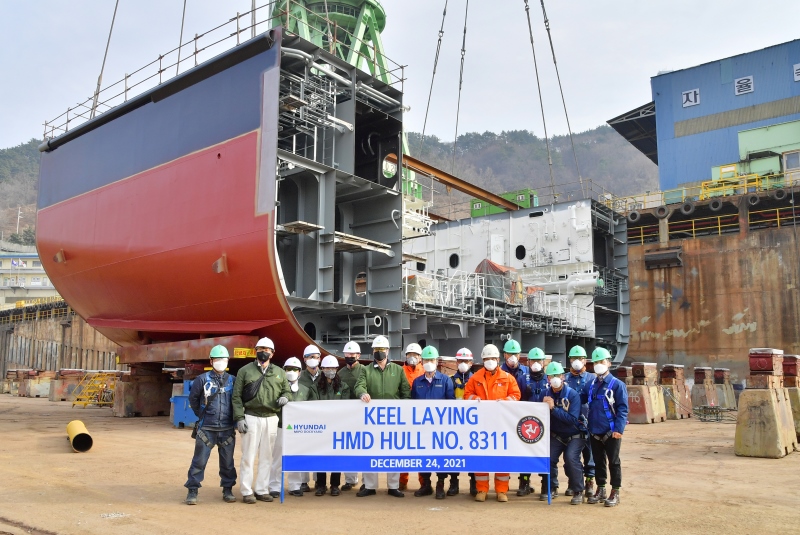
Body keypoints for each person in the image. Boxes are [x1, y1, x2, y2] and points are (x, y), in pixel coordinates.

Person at [232, 337, 291, 504]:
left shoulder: (279, 372)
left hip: (271, 418)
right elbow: (236, 396)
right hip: (251, 416)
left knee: (267, 457)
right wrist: (239, 418)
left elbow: (287, 391)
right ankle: (246, 491)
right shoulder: (245, 371)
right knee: (248, 456)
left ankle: (262, 489)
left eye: (267, 349)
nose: (263, 352)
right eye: (260, 348)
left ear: (272, 353)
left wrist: (285, 397)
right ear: (255, 351)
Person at [354, 335, 412, 497]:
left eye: (382, 350)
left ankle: (393, 486)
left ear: (388, 351)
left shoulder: (398, 370)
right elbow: (359, 386)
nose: (379, 352)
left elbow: (405, 391)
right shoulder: (366, 370)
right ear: (373, 351)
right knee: (370, 451)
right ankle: (370, 486)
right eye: (376, 350)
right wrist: (362, 393)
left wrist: (404, 410)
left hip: (394, 419)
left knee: (393, 452)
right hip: (372, 418)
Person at [464, 344, 521, 503]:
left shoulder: (508, 378)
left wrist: (502, 402)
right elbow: (467, 394)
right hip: (481, 425)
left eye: (493, 358)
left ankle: (501, 491)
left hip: (501, 424)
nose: (490, 361)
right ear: (483, 360)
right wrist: (476, 400)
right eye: (487, 359)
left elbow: (516, 395)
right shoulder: (475, 378)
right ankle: (481, 489)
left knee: (502, 458)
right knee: (480, 458)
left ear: (498, 359)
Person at [184, 345, 237, 505]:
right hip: (206, 429)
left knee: (228, 463)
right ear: (211, 361)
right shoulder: (201, 379)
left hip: (227, 429)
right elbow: (193, 400)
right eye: (217, 359)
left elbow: (237, 401)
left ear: (228, 361)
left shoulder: (233, 381)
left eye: (223, 359)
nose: (220, 362)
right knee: (199, 462)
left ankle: (227, 489)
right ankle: (192, 491)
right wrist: (202, 416)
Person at [584, 347, 628, 507]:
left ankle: (615, 491)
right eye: (595, 362)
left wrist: (618, 429)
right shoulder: (590, 385)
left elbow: (623, 408)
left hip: (611, 431)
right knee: (598, 461)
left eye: (601, 361)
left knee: (614, 462)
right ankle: (600, 488)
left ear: (608, 363)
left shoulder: (617, 385)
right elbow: (578, 398)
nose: (598, 365)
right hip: (594, 431)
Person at [411, 346, 455, 499]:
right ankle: (426, 484)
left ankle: (440, 484)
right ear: (421, 362)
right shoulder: (417, 382)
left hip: (440, 428)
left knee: (440, 456)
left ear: (437, 362)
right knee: (423, 456)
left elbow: (451, 403)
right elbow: (412, 404)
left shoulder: (445, 381)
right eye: (426, 360)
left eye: (432, 360)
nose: (429, 362)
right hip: (422, 427)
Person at [542, 361, 585, 505]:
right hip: (556, 435)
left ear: (563, 377)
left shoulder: (572, 395)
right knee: (549, 459)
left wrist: (553, 409)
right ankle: (551, 487)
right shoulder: (544, 395)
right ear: (547, 378)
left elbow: (572, 419)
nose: (555, 378)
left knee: (571, 458)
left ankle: (577, 490)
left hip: (574, 434)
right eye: (551, 376)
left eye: (558, 375)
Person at [268, 357, 310, 498]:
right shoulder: (276, 387)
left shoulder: (305, 390)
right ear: (283, 370)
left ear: (300, 372)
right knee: (277, 458)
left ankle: (295, 485)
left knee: (296, 457)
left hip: (298, 429)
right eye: (288, 369)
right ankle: (274, 486)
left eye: (295, 369)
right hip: (280, 426)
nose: (291, 372)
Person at [314, 355, 352, 496]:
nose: (330, 370)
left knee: (336, 456)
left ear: (337, 369)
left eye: (333, 368)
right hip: (321, 427)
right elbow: (313, 406)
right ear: (322, 369)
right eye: (327, 368)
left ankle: (335, 485)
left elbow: (345, 406)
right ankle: (321, 485)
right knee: (321, 456)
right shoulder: (316, 387)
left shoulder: (343, 387)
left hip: (338, 426)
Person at [565, 345, 597, 499]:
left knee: (589, 455)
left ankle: (590, 482)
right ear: (569, 360)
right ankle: (573, 481)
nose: (576, 361)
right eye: (573, 358)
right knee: (570, 456)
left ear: (585, 361)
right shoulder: (564, 379)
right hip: (570, 424)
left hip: (588, 423)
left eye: (580, 358)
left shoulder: (592, 379)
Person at [500, 339, 531, 496]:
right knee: (504, 450)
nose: (512, 357)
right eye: (509, 354)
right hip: (504, 419)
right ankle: (503, 485)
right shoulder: (498, 371)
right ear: (504, 355)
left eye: (515, 354)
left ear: (520, 355)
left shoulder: (526, 372)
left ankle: (524, 482)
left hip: (523, 418)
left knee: (524, 451)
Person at [337, 340, 363, 492]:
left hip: (363, 415)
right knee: (348, 448)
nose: (350, 356)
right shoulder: (340, 374)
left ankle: (367, 482)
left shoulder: (364, 371)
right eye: (348, 354)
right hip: (346, 415)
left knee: (364, 449)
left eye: (353, 354)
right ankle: (350, 480)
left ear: (358, 355)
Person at [525, 347, 551, 499]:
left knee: (545, 454)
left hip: (546, 425)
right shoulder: (523, 379)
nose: (536, 364)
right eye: (533, 361)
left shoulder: (549, 379)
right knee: (525, 454)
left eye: (538, 361)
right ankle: (524, 481)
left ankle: (546, 483)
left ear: (543, 362)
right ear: (528, 362)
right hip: (527, 423)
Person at [297, 344, 323, 493]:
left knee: (319, 451)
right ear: (304, 359)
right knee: (303, 450)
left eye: (316, 357)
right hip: (304, 420)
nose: (313, 360)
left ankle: (319, 482)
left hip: (320, 420)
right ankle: (303, 482)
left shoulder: (325, 375)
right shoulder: (300, 377)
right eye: (310, 357)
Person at [400, 342, 425, 491]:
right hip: (404, 416)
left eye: (415, 355)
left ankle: (423, 482)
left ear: (420, 357)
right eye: (410, 355)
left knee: (421, 451)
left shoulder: (425, 372)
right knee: (404, 449)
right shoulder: (399, 371)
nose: (412, 358)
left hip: (421, 417)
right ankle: (402, 481)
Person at [451, 347, 475, 496]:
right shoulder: (450, 380)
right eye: (460, 361)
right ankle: (454, 483)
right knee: (454, 456)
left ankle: (474, 483)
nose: (463, 363)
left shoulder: (476, 380)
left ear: (471, 363)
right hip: (454, 423)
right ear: (456, 362)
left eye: (466, 361)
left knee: (472, 454)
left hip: (472, 423)